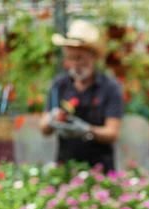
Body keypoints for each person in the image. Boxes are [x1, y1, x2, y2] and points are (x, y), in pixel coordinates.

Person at [40, 19, 124, 172]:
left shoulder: (109, 87)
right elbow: (44, 129)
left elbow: (112, 132)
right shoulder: (60, 85)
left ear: (93, 57)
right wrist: (51, 120)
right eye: (70, 58)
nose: (75, 63)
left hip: (100, 169)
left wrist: (86, 130)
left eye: (79, 58)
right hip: (65, 166)